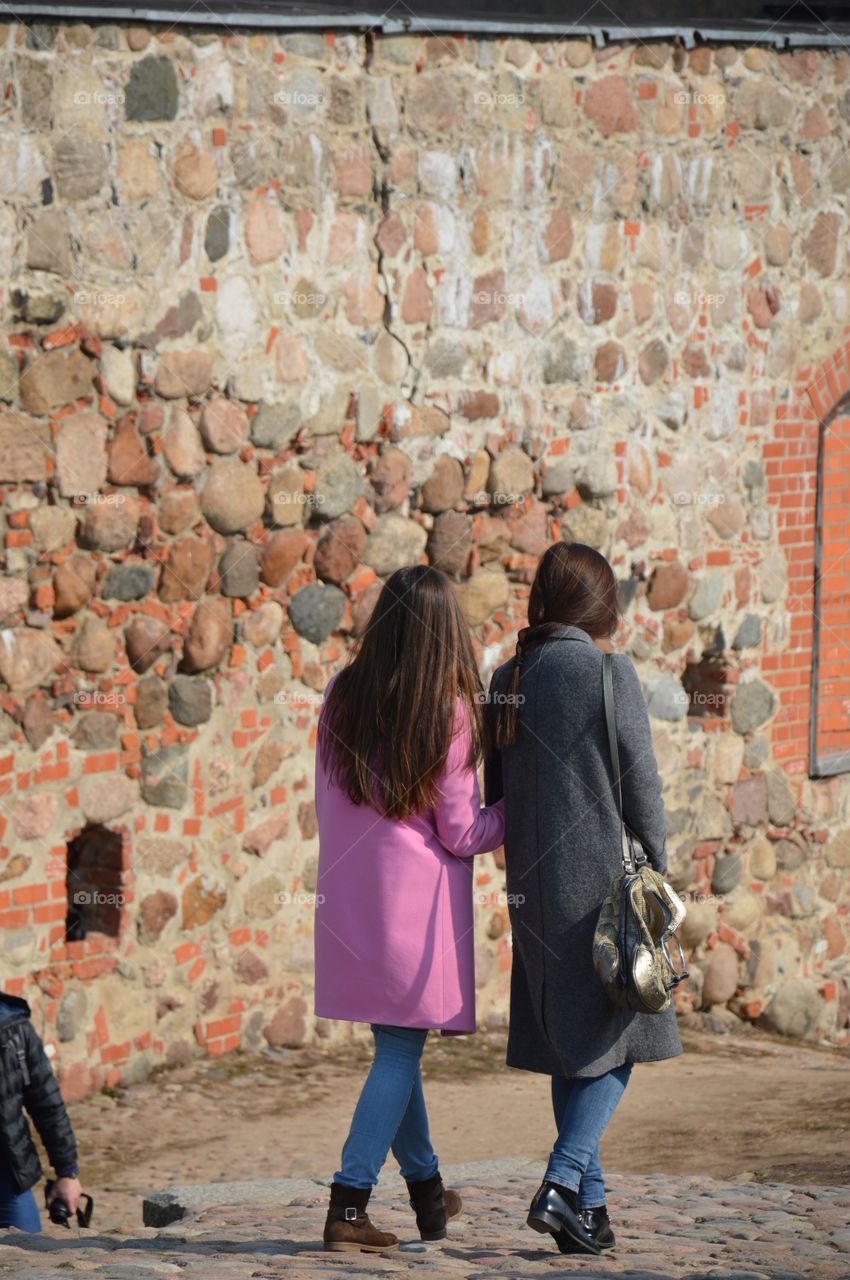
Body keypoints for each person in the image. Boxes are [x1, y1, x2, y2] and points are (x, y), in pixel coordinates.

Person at [484, 542, 681, 1256]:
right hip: (603, 891)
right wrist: (659, 865)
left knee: (572, 1047)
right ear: (601, 606)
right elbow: (642, 784)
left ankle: (587, 1214)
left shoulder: (505, 678)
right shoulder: (608, 672)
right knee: (622, 1034)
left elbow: (495, 794)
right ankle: (562, 1181)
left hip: (532, 894)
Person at [314, 564, 506, 1253]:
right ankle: (349, 1204)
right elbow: (461, 832)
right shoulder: (448, 711)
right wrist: (517, 809)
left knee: (397, 1052)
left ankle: (428, 1192)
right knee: (398, 1053)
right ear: (446, 632)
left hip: (350, 905)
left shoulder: (341, 694)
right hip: (413, 919)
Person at [0, 991, 83, 1232]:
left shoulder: (14, 1027)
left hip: (6, 1177)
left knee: (26, 1250)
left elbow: (47, 1104)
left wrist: (67, 1173)